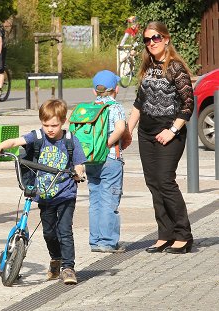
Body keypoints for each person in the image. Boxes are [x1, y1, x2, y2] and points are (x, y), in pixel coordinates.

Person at [0, 99, 86, 284]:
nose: (50, 129)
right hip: (44, 194)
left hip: (65, 193)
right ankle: (55, 259)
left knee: (64, 230)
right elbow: (15, 141)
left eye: (54, 125)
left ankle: (68, 268)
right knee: (49, 233)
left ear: (64, 121)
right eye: (46, 124)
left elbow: (79, 164)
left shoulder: (70, 140)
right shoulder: (38, 136)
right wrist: (1, 145)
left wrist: (78, 172)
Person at [126, 21, 194, 254]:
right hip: (146, 132)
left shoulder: (176, 68)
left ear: (166, 39)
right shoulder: (147, 66)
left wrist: (172, 130)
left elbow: (188, 105)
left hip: (169, 132)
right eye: (147, 39)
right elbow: (139, 102)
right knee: (153, 183)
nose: (151, 43)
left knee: (165, 181)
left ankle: (183, 234)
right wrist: (127, 132)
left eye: (155, 38)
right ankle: (165, 234)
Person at [86, 70, 127, 253]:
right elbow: (120, 128)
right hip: (110, 158)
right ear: (116, 89)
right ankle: (108, 242)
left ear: (95, 91)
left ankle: (95, 241)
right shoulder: (116, 107)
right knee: (109, 200)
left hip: (91, 159)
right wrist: (108, 144)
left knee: (95, 200)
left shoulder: (90, 108)